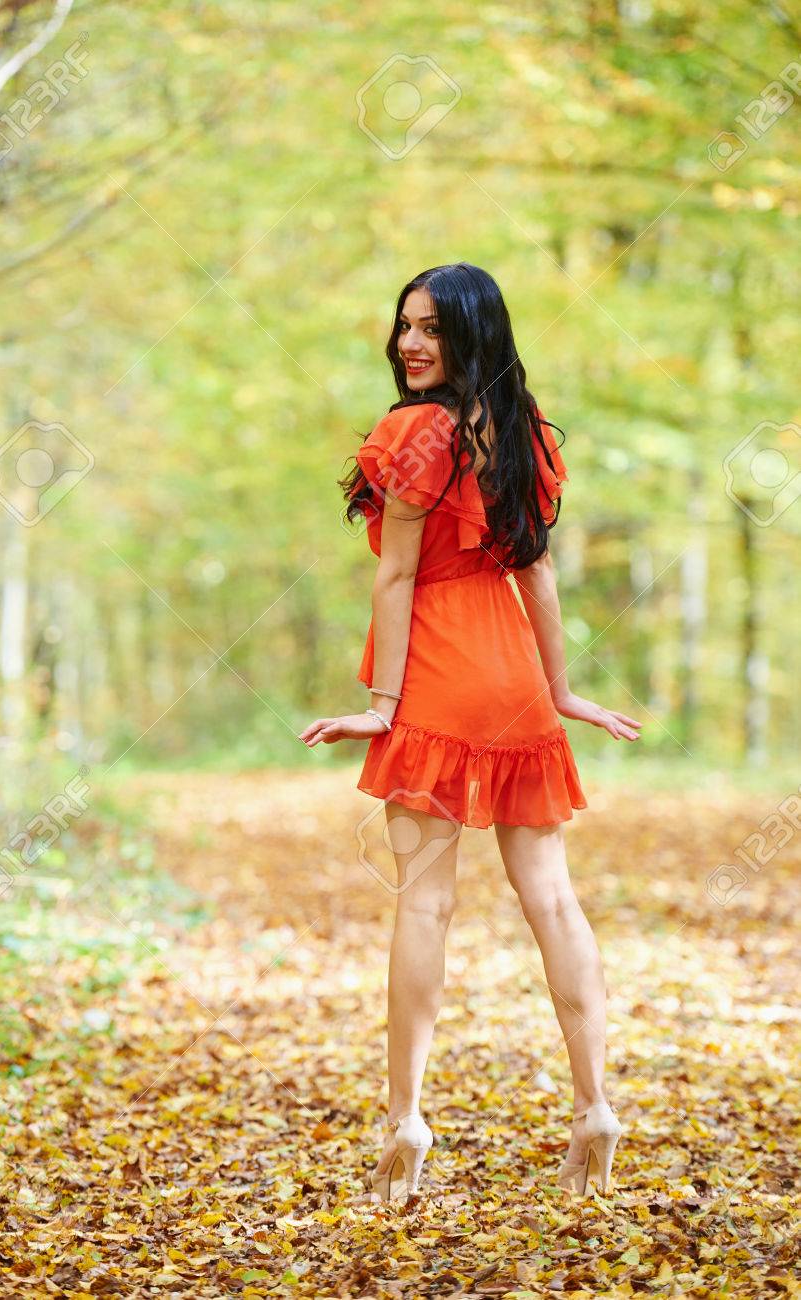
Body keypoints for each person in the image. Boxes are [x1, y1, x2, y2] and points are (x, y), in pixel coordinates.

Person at [299, 262, 641, 1202]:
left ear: (470, 334)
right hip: (512, 677)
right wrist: (559, 691)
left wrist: (382, 704)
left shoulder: (416, 432)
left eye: (432, 329)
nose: (410, 344)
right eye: (405, 325)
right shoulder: (522, 430)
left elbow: (397, 576)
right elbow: (535, 572)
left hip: (439, 675)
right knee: (553, 901)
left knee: (424, 904)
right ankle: (595, 1107)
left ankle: (406, 1120)